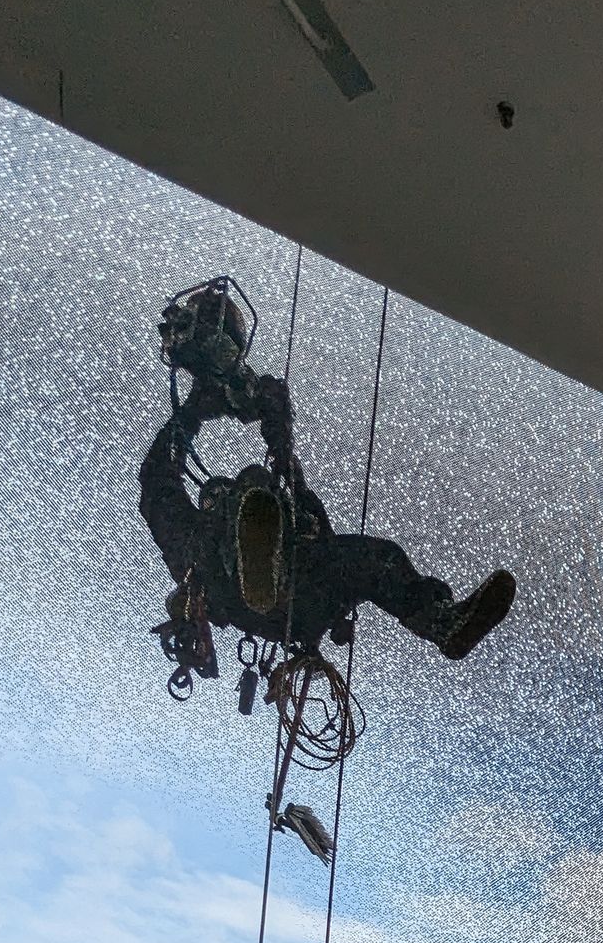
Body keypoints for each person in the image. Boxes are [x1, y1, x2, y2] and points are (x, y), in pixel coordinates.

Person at [138, 278, 515, 683]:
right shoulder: (198, 541)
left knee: (345, 538)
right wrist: (219, 417)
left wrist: (272, 437)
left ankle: (442, 624)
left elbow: (159, 482)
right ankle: (438, 622)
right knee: (371, 558)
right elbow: (159, 485)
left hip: (248, 592)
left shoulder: (195, 537)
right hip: (273, 598)